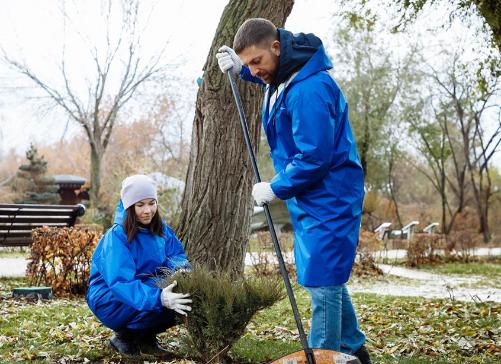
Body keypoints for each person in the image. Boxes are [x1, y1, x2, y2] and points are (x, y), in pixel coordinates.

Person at [216, 18, 371, 364]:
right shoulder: (286, 75)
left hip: (330, 197)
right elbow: (268, 76)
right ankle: (356, 350)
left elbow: (314, 158)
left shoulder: (309, 89)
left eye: (256, 62)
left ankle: (324, 355)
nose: (255, 71)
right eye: (248, 65)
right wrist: (240, 69)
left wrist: (275, 187)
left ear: (276, 47)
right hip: (312, 197)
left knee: (322, 283)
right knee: (323, 276)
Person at [86, 174, 192, 355]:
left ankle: (145, 338)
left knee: (182, 292)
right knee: (163, 297)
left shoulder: (162, 230)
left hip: (145, 288)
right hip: (110, 298)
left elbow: (176, 256)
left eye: (152, 203)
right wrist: (159, 298)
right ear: (129, 206)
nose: (147, 210)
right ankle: (123, 337)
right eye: (140, 205)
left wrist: (180, 271)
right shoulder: (117, 236)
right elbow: (121, 282)